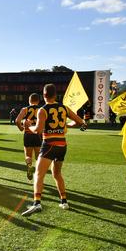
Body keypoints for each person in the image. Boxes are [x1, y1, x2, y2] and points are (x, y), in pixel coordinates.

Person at [21, 84, 86, 216]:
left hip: (49, 144)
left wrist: (28, 125)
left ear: (44, 95)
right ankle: (64, 201)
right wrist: (65, 125)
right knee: (57, 174)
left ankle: (37, 203)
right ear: (56, 95)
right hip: (62, 145)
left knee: (38, 174)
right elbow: (80, 122)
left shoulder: (42, 110)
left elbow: (38, 130)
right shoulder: (64, 108)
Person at [15, 93, 43, 180]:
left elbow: (17, 120)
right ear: (38, 101)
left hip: (28, 134)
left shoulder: (25, 109)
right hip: (38, 134)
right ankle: (38, 174)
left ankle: (29, 166)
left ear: (29, 100)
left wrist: (21, 128)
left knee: (28, 155)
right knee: (38, 157)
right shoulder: (41, 110)